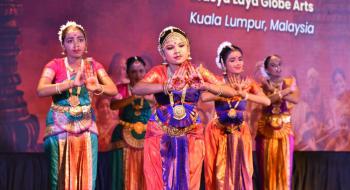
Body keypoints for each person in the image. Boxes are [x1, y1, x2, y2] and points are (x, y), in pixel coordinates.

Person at [132, 26, 237, 190]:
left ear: (188, 48)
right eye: (170, 47)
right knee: (158, 180)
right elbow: (137, 88)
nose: (177, 51)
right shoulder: (159, 71)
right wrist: (165, 86)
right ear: (162, 52)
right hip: (159, 132)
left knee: (190, 178)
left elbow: (230, 91)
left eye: (181, 46)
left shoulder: (197, 71)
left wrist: (205, 85)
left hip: (191, 132)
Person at [36, 21, 118, 190]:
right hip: (59, 125)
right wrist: (70, 83)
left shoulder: (93, 66)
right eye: (70, 40)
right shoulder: (55, 65)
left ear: (86, 43)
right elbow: (41, 89)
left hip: (86, 124)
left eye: (80, 39)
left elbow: (113, 89)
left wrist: (98, 87)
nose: (76, 44)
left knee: (88, 177)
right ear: (63, 45)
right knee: (57, 177)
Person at [202, 42, 270, 190]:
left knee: (242, 173)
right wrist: (228, 91)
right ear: (223, 64)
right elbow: (205, 97)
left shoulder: (248, 83)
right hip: (218, 133)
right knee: (219, 174)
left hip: (240, 133)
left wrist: (243, 94)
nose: (238, 63)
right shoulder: (218, 82)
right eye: (232, 60)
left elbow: (266, 100)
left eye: (240, 59)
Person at [255, 54, 299, 190]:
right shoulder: (261, 85)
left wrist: (278, 91)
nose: (277, 68)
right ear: (267, 69)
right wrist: (285, 91)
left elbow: (295, 99)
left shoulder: (289, 82)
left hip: (285, 130)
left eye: (279, 64)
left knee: (285, 167)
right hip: (266, 131)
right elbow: (268, 100)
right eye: (273, 65)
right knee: (267, 168)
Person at [109, 56, 153, 190]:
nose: (137, 75)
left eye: (141, 71)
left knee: (146, 172)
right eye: (133, 72)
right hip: (124, 135)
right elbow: (114, 105)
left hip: (147, 136)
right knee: (123, 171)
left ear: (145, 72)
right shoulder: (121, 88)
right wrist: (133, 96)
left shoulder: (152, 89)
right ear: (127, 73)